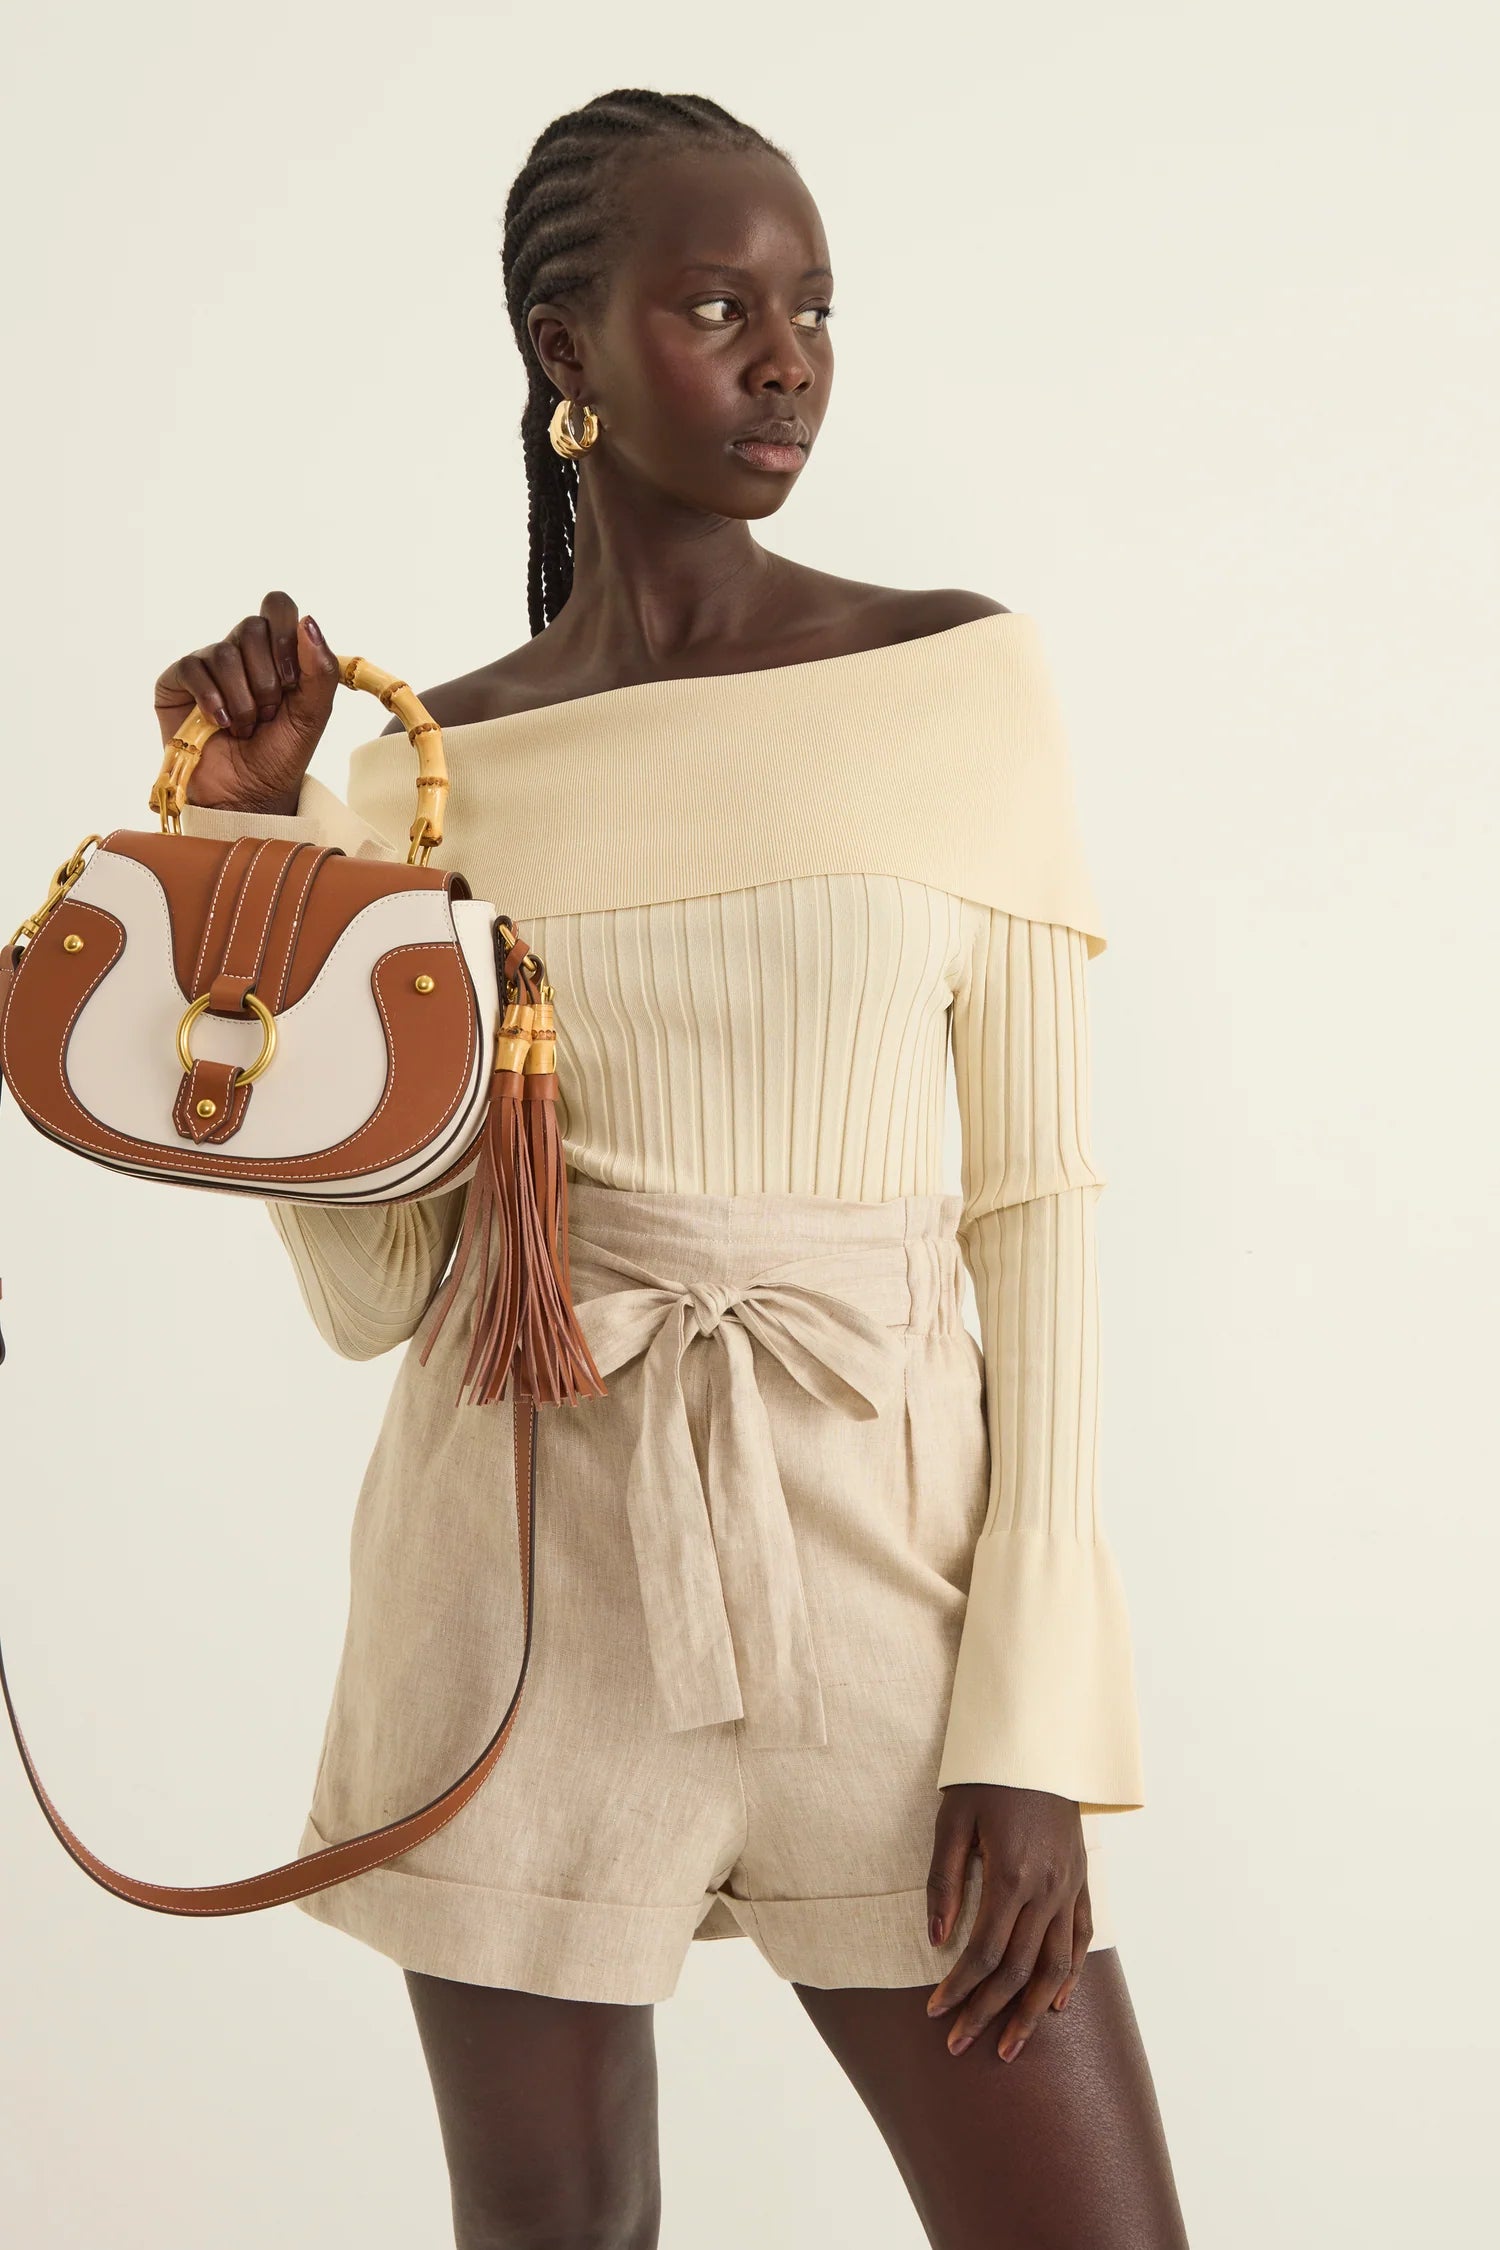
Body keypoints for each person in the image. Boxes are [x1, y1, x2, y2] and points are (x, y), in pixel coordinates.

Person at [158, 86, 1189, 2250]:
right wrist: (260, 857)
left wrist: (1034, 1716)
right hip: (513, 1582)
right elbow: (381, 1292)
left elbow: (1039, 1212)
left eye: (814, 308)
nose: (789, 359)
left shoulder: (956, 681)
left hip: (884, 1591)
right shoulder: (418, 781)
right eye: (721, 307)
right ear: (569, 349)